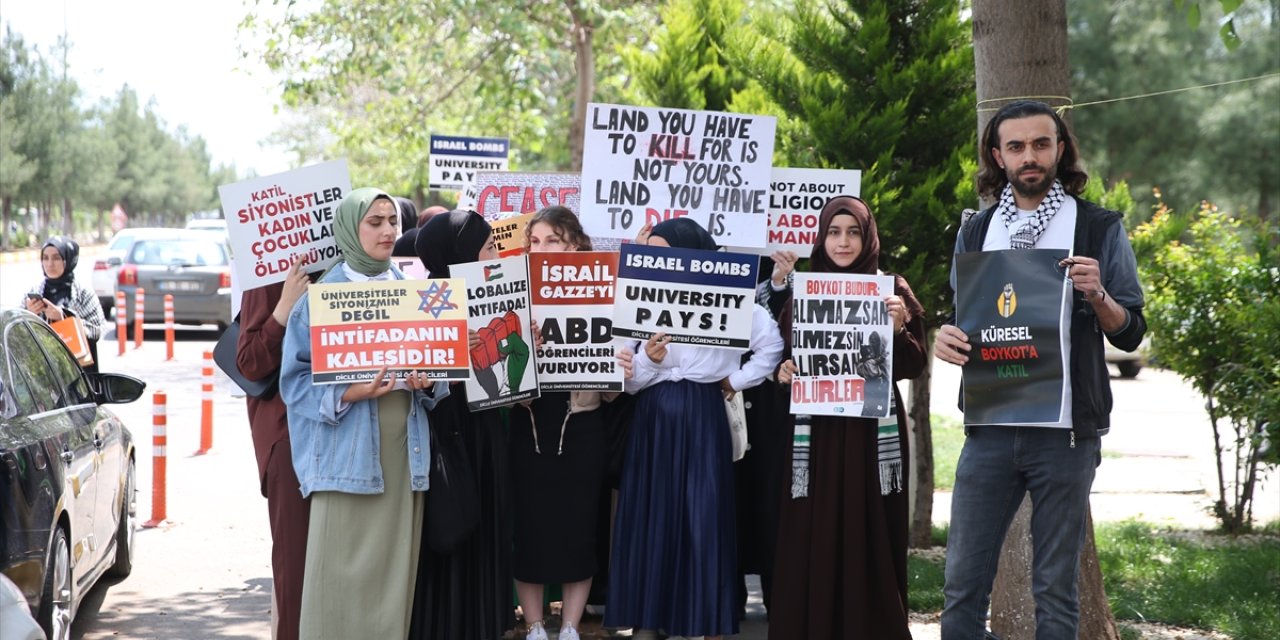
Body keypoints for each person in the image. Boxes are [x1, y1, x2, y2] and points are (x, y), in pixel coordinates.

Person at [934, 100, 1147, 639]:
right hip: (989, 431)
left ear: (1059, 149)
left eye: (1041, 144)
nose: (1030, 156)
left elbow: (1130, 331)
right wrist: (948, 338)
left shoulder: (1097, 227)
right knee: (960, 592)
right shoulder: (977, 232)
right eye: (1016, 146)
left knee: (1055, 592)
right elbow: (967, 321)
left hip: (1066, 438)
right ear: (997, 155)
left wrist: (1098, 294)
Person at [606, 217, 783, 640]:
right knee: (653, 517)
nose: (658, 260)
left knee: (703, 518)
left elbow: (771, 346)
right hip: (653, 419)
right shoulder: (639, 299)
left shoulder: (732, 298)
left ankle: (707, 622)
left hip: (703, 415)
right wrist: (647, 357)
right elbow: (629, 380)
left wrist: (733, 382)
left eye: (665, 251)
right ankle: (648, 620)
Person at [279, 187, 443, 640]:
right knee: (336, 576)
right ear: (352, 229)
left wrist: (428, 382)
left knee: (392, 581)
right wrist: (353, 391)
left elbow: (438, 378)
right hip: (345, 459)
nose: (389, 230)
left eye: (393, 220)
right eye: (376, 222)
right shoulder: (321, 296)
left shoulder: (414, 295)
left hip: (403, 458)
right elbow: (293, 384)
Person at [768, 196, 926, 639]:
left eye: (853, 232)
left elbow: (915, 366)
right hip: (817, 434)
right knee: (813, 528)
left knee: (868, 527)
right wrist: (785, 373)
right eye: (834, 232)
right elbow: (787, 362)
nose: (843, 242)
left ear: (868, 236)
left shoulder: (891, 287)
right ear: (822, 237)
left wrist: (896, 330)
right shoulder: (807, 289)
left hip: (871, 435)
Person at [409, 209, 514, 640]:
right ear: (460, 252)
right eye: (487, 247)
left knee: (485, 525)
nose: (495, 254)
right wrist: (446, 352)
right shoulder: (422, 300)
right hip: (448, 433)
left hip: (486, 429)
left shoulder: (497, 293)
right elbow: (415, 375)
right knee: (450, 526)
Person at [511, 206, 613, 640]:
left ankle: (570, 626)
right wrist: (522, 346)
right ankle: (534, 625)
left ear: (575, 244)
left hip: (583, 427)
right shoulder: (515, 293)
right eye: (535, 242)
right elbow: (497, 377)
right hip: (530, 425)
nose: (542, 249)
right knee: (528, 528)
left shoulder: (605, 292)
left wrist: (623, 365)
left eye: (552, 240)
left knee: (578, 527)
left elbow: (613, 388)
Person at [236, 259, 315, 640]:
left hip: (343, 432)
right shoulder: (269, 277)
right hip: (288, 435)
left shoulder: (347, 268)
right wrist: (283, 309)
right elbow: (249, 361)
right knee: (296, 565)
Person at [23, 236, 106, 372]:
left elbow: (97, 330)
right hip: (43, 374)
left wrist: (64, 318)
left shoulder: (83, 293)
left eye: (56, 258)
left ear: (68, 260)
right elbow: (17, 336)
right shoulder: (33, 293)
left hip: (78, 373)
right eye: (45, 258)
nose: (50, 264)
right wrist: (28, 315)